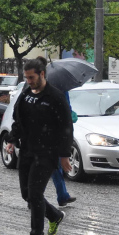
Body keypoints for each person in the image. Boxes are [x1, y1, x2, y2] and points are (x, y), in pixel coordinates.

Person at [5, 58, 73, 235]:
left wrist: (64, 155)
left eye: (32, 77)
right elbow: (18, 120)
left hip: (46, 153)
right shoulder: (26, 94)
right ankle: (55, 216)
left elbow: (66, 127)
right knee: (26, 194)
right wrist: (11, 139)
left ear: (42, 74)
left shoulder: (55, 97)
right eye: (26, 77)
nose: (28, 81)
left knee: (35, 194)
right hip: (27, 150)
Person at [36, 57, 77, 208]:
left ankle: (58, 195)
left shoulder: (39, 87)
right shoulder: (56, 87)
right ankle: (36, 196)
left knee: (50, 167)